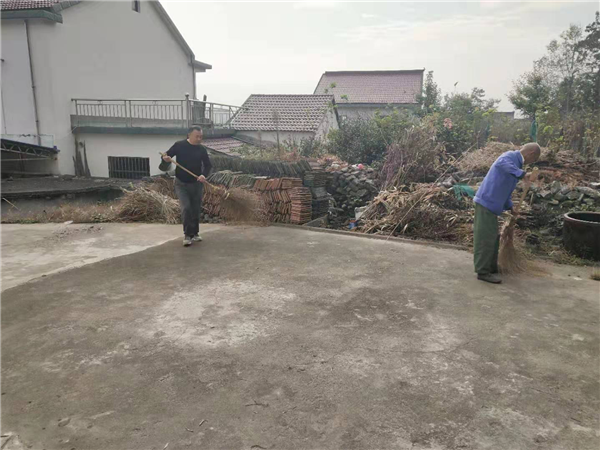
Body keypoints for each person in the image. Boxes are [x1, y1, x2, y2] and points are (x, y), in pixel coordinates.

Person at [473, 142, 541, 284]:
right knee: (485, 239)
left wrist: (511, 207)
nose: (531, 162)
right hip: (486, 202)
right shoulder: (509, 156)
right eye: (534, 159)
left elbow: (506, 189)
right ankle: (482, 271)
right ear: (531, 154)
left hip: (492, 205)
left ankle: (491, 267)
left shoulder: (516, 165)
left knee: (493, 238)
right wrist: (523, 174)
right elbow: (501, 163)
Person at [160, 126, 212, 247]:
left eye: (201, 137)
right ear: (189, 135)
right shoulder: (179, 145)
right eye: (197, 136)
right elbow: (166, 156)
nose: (199, 139)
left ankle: (195, 233)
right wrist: (165, 159)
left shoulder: (201, 149)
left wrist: (203, 175)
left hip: (197, 184)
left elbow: (208, 166)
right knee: (186, 208)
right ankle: (187, 235)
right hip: (181, 183)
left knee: (195, 209)